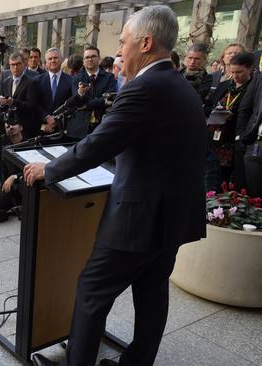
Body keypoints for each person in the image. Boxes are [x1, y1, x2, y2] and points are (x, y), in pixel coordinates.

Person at [25, 6, 206, 366]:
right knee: (153, 293)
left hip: (137, 220)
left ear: (147, 42)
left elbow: (99, 143)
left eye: (123, 43)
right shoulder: (180, 85)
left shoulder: (144, 88)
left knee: (91, 291)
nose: (120, 51)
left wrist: (51, 169)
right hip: (172, 218)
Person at [205, 52, 254, 190]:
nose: (235, 76)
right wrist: (216, 111)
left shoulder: (253, 88)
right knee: (211, 177)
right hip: (215, 138)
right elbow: (208, 104)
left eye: (239, 72)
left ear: (250, 69)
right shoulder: (225, 85)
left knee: (226, 181)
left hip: (233, 140)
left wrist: (232, 116)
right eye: (232, 72)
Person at [68, 45, 118, 139]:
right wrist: (95, 100)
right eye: (87, 57)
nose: (90, 59)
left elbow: (108, 99)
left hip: (101, 126)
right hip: (79, 128)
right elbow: (78, 101)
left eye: (93, 56)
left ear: (99, 59)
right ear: (83, 61)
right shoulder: (76, 79)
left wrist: (87, 104)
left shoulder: (109, 77)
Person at [0, 52, 42, 139]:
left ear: (24, 64)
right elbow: (3, 106)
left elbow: (32, 106)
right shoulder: (6, 82)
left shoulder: (31, 83)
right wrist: (1, 103)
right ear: (9, 66)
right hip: (9, 127)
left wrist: (13, 102)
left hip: (24, 129)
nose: (15, 67)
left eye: (18, 64)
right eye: (12, 65)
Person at [235, 69, 262, 197]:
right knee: (254, 194)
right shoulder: (258, 79)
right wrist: (241, 137)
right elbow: (245, 110)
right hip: (256, 143)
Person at [0, 121, 25, 211]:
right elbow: (3, 173)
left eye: (13, 124)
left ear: (21, 127)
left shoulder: (31, 145)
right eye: (7, 126)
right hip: (11, 187)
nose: (10, 127)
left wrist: (15, 177)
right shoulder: (6, 149)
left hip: (25, 183)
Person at [37, 48, 73, 134]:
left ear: (61, 60)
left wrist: (57, 119)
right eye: (50, 59)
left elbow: (72, 103)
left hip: (64, 128)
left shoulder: (71, 80)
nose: (53, 61)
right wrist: (46, 117)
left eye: (56, 58)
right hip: (42, 127)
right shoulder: (37, 80)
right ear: (46, 63)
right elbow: (35, 103)